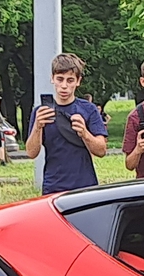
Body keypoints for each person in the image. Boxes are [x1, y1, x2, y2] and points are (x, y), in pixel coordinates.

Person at [25, 52, 108, 195]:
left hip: (85, 184)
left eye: (70, 80)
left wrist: (84, 133)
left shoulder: (89, 109)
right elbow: (31, 153)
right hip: (53, 186)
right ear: (52, 79)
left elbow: (101, 150)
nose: (64, 86)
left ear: (78, 81)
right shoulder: (41, 112)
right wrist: (38, 127)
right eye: (60, 79)